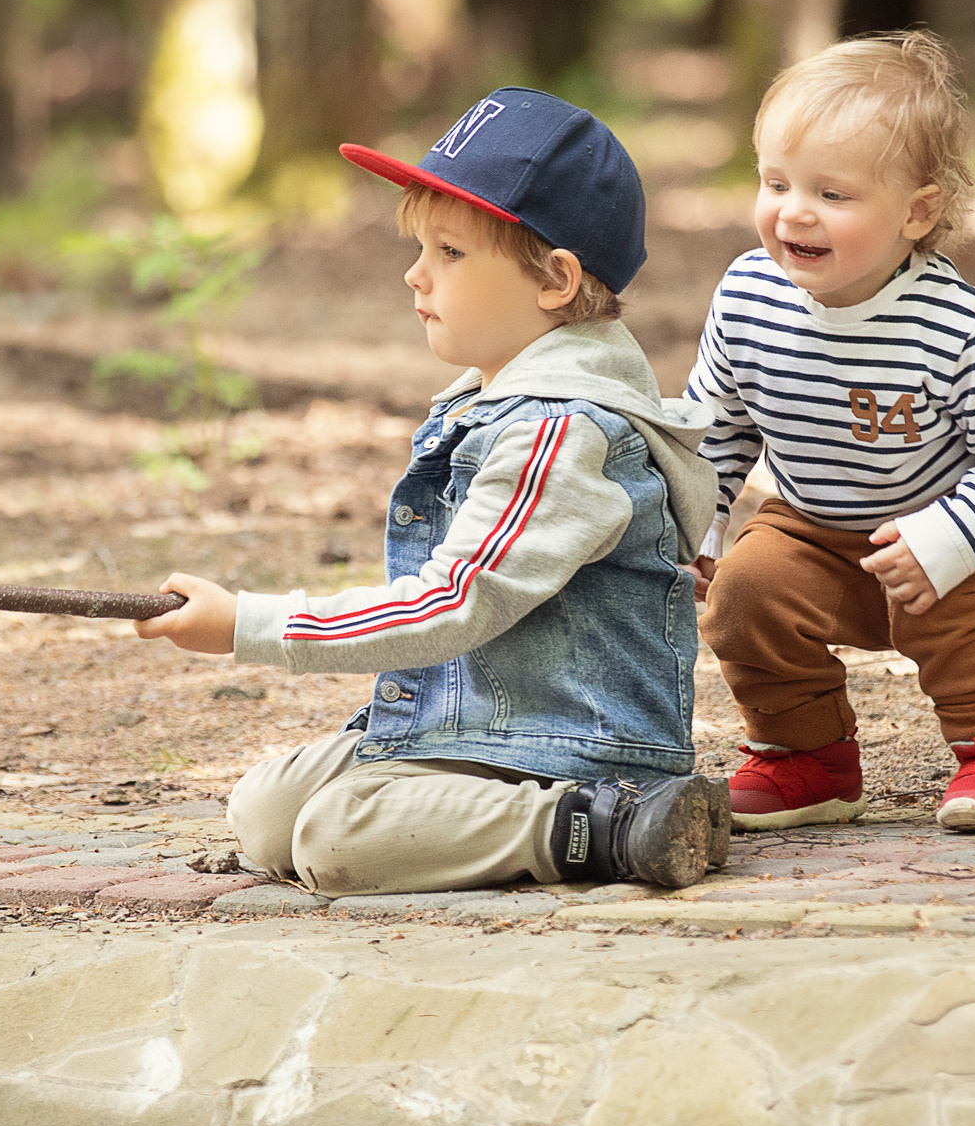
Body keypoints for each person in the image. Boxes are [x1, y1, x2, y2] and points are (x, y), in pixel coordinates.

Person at [135, 88, 729, 895]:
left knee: (335, 840)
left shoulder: (560, 432)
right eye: (421, 245)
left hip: (572, 739)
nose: (415, 273)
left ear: (555, 279)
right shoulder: (490, 405)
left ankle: (608, 822)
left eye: (450, 252)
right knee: (266, 812)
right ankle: (473, 810)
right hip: (476, 721)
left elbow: (453, 601)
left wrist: (250, 623)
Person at [689, 31, 975, 833]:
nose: (794, 211)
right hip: (816, 528)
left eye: (833, 194)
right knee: (745, 594)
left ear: (917, 211)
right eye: (776, 181)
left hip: (971, 527)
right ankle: (808, 758)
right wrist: (703, 521)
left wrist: (952, 534)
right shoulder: (748, 296)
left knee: (946, 594)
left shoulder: (962, 325)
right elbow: (717, 426)